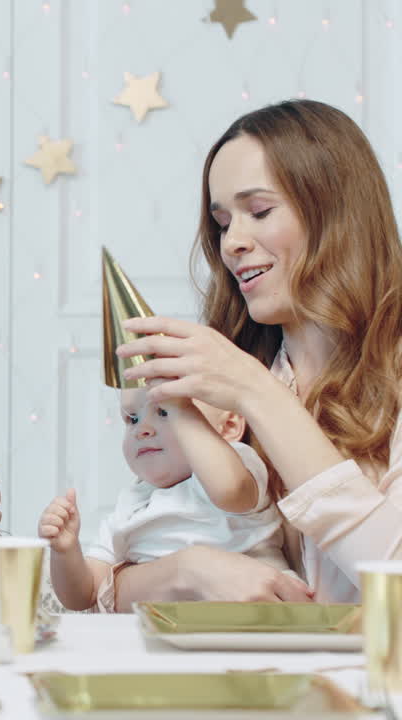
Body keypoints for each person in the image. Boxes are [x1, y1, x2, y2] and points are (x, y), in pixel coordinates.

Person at [114, 99, 402, 606]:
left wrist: (258, 394)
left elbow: (393, 582)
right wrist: (188, 570)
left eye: (260, 211)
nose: (232, 244)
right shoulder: (224, 381)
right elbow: (111, 574)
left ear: (336, 212)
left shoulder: (245, 381)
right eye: (223, 222)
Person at [39, 387, 286, 612]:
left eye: (166, 411)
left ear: (229, 427)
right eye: (132, 419)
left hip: (262, 610)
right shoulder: (131, 504)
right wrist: (65, 552)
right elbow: (86, 594)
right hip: (168, 633)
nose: (142, 429)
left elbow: (230, 491)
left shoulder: (237, 464)